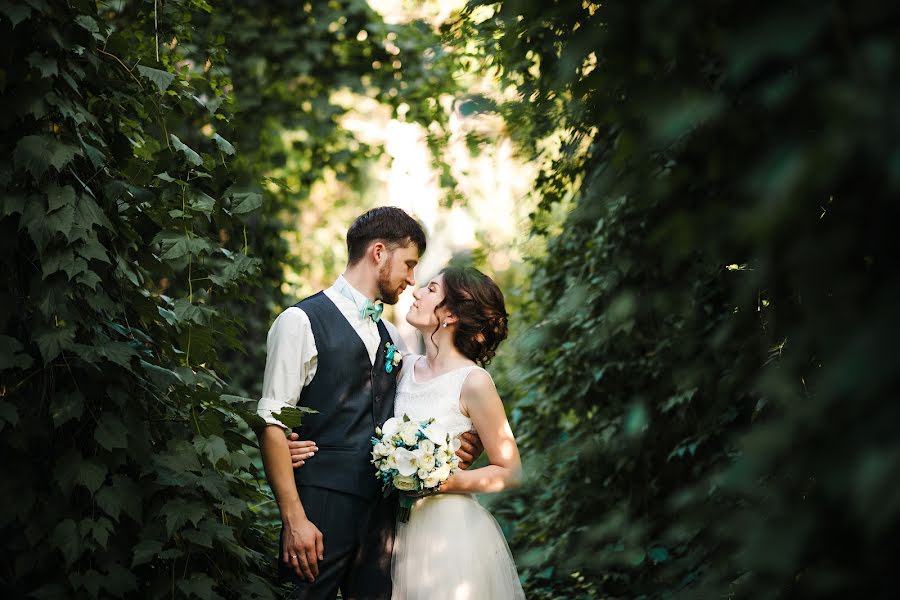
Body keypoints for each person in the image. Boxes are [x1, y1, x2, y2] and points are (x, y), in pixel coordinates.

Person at [256, 207, 482, 600]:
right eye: (409, 264)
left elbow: (426, 399)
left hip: (382, 523)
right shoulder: (299, 321)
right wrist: (294, 519)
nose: (412, 279)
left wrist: (463, 439)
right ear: (378, 252)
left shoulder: (392, 334)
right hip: (318, 510)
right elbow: (272, 423)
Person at [389, 266, 525, 599]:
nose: (417, 292)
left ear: (450, 314)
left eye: (431, 289)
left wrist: (442, 480)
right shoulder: (402, 368)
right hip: (397, 531)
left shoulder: (473, 381)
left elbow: (511, 471)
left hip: (451, 536)